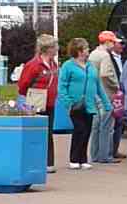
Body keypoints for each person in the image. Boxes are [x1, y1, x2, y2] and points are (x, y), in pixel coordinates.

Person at [58, 38, 112, 170]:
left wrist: (107, 104)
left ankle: (83, 159)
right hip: (75, 104)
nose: (88, 50)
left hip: (90, 105)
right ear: (79, 50)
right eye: (86, 48)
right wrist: (67, 102)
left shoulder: (91, 66)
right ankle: (74, 158)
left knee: (87, 131)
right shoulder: (68, 66)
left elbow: (98, 86)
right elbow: (62, 86)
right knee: (79, 130)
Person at [18, 34, 60, 173]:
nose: (57, 49)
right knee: (36, 133)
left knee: (48, 133)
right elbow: (23, 84)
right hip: (36, 103)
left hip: (50, 103)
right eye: (55, 46)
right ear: (47, 49)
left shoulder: (54, 64)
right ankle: (34, 161)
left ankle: (49, 162)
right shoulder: (33, 65)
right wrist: (33, 95)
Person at [87, 31, 120, 164]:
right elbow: (105, 74)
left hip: (94, 93)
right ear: (107, 42)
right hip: (106, 94)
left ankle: (94, 154)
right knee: (106, 126)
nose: (114, 44)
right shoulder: (105, 56)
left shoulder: (93, 54)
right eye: (113, 41)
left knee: (96, 126)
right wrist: (116, 85)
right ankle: (105, 155)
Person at [109, 37, 127, 159]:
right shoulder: (108, 57)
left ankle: (115, 149)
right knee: (111, 123)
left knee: (120, 122)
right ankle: (109, 150)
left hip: (122, 94)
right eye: (120, 43)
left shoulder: (124, 59)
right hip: (113, 93)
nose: (122, 46)